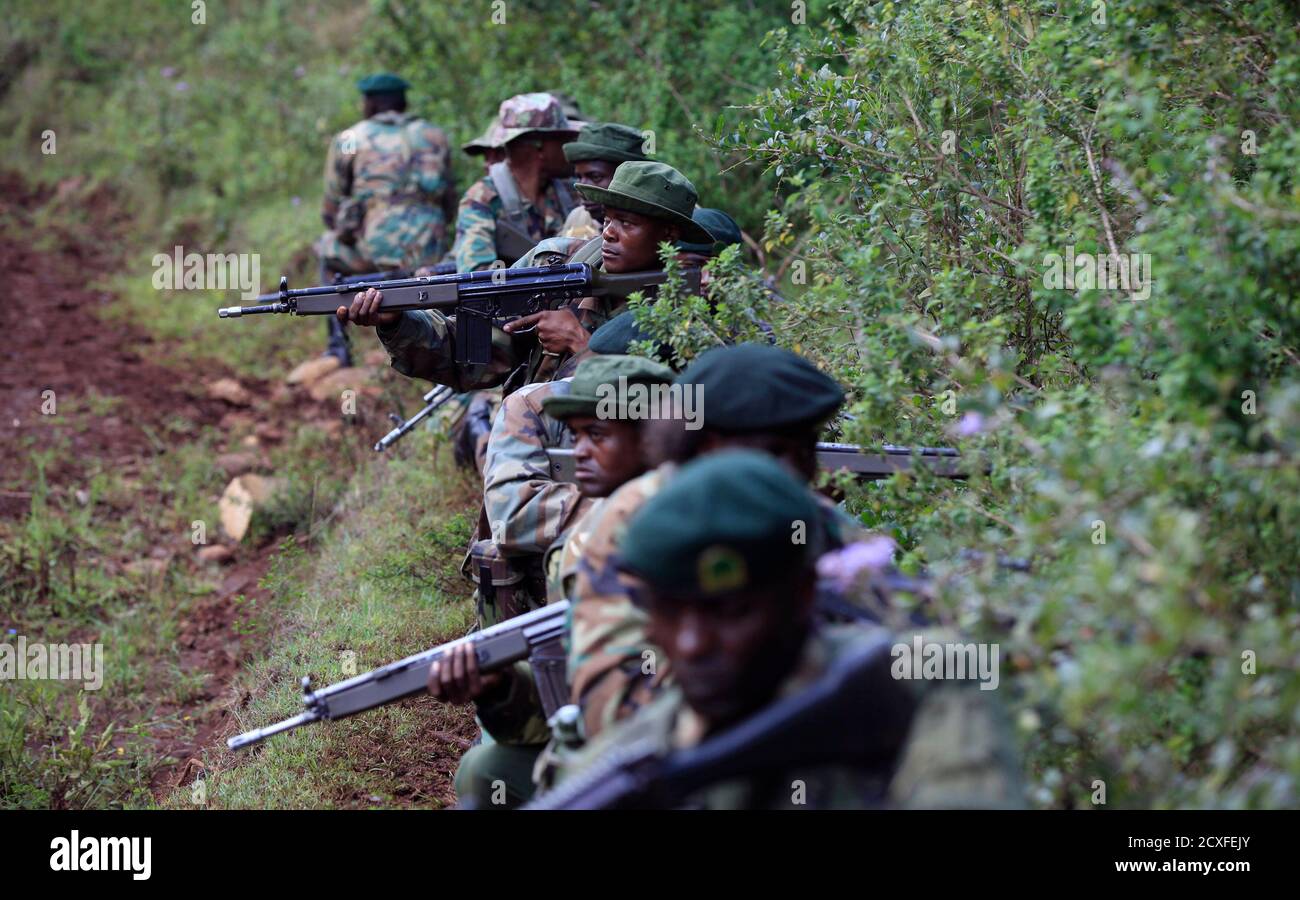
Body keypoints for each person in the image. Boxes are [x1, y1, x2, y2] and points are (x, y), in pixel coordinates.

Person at [544, 450, 1025, 809]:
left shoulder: (912, 676)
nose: (692, 645)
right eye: (668, 613)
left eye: (730, 612)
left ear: (802, 595)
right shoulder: (621, 762)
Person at [565, 342, 871, 741]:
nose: (802, 471)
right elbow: (610, 710)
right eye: (776, 453)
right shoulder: (635, 520)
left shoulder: (796, 510)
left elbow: (896, 610)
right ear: (709, 445)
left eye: (807, 451)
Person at [427, 353, 674, 808]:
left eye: (597, 435)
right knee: (486, 772)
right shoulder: (577, 549)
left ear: (655, 440)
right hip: (613, 743)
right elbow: (572, 697)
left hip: (689, 752)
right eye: (577, 435)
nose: (578, 452)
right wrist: (498, 689)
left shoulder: (691, 531)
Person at [336, 159, 713, 394]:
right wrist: (398, 321)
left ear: (668, 235)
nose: (609, 232)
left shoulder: (693, 306)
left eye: (627, 223)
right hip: (531, 455)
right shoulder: (555, 261)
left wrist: (581, 345)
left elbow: (678, 412)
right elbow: (473, 361)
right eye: (609, 218)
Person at [315, 73, 455, 365]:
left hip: (374, 253)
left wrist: (346, 230)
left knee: (325, 251)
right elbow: (450, 203)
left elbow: (331, 208)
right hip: (430, 253)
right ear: (403, 102)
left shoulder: (352, 139)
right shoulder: (435, 135)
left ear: (369, 103)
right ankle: (442, 340)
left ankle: (339, 348)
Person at [449, 92, 579, 273]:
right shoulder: (483, 199)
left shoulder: (568, 192)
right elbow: (476, 276)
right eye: (561, 141)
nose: (567, 148)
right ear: (540, 148)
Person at [556, 122, 649, 240]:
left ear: (629, 179)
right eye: (579, 177)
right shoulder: (578, 219)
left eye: (595, 177)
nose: (582, 190)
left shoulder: (647, 228)